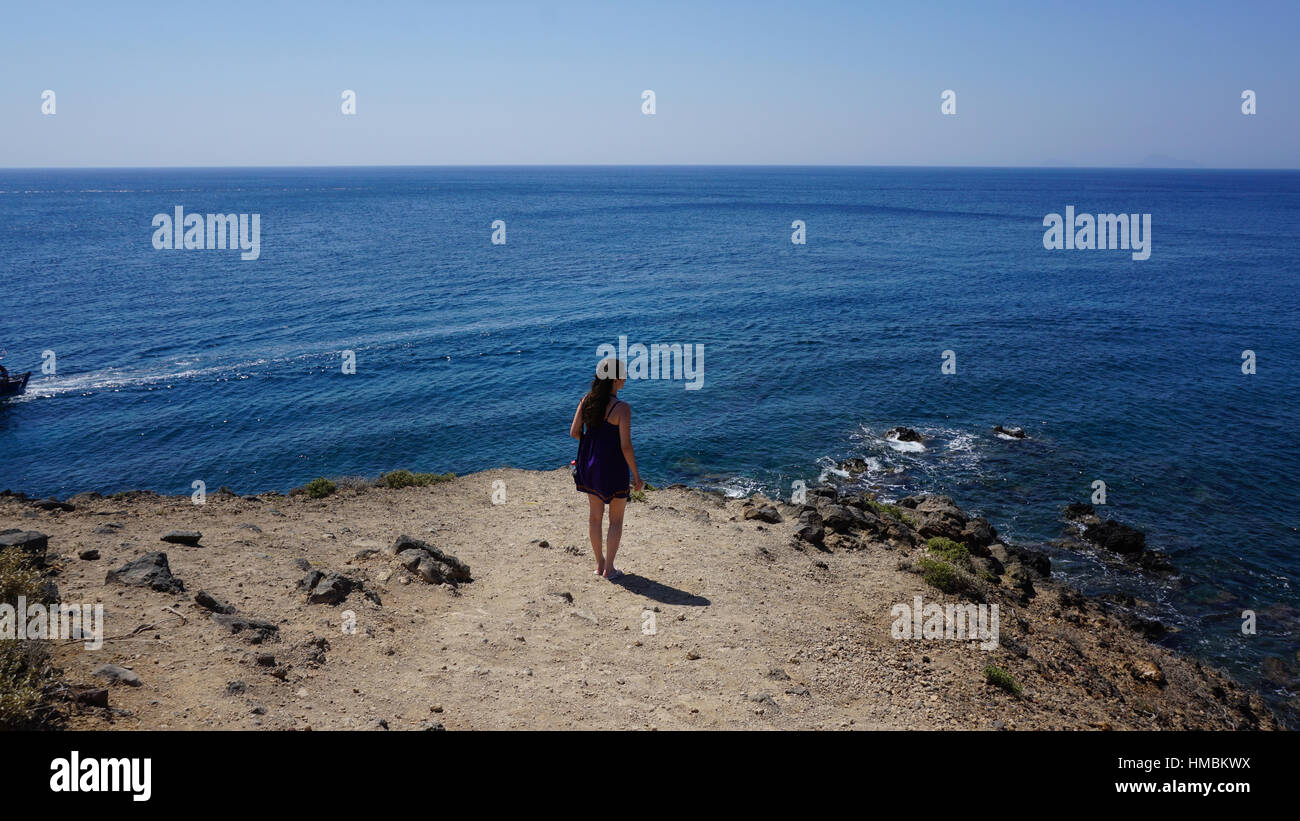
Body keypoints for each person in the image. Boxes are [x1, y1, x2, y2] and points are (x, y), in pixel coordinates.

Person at [569, 357, 644, 580]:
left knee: (594, 517)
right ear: (614, 379)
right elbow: (626, 446)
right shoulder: (622, 409)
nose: (626, 378)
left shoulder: (586, 401)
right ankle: (609, 569)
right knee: (616, 520)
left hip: (590, 465)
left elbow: (574, 432)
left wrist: (593, 442)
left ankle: (599, 564)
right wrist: (637, 475)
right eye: (623, 374)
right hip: (613, 466)